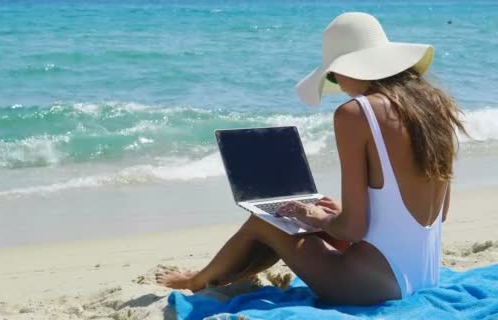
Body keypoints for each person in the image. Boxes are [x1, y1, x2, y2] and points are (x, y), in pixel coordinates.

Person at [156, 12, 467, 305]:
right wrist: (335, 216)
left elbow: (352, 231)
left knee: (266, 220)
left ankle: (195, 282)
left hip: (373, 288)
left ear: (350, 67)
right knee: (304, 219)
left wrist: (321, 218)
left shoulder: (355, 114)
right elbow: (439, 213)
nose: (337, 83)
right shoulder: (435, 107)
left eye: (332, 75)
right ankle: (211, 278)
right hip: (425, 275)